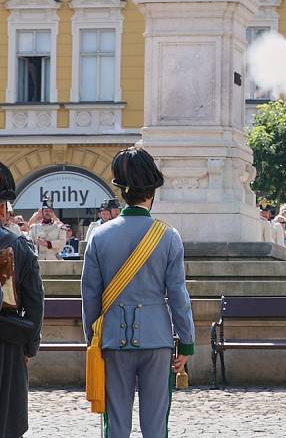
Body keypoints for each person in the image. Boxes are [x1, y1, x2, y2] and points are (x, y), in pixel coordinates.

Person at [81, 146, 195, 438]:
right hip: (157, 338)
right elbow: (178, 295)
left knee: (116, 423)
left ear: (121, 193)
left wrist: (93, 339)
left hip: (112, 340)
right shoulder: (168, 236)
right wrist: (186, 343)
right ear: (151, 193)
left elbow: (90, 295)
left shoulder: (99, 235)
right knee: (156, 424)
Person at [0, 161, 44, 438]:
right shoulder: (17, 245)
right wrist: (30, 346)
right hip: (6, 341)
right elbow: (35, 300)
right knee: (7, 419)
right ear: (3, 208)